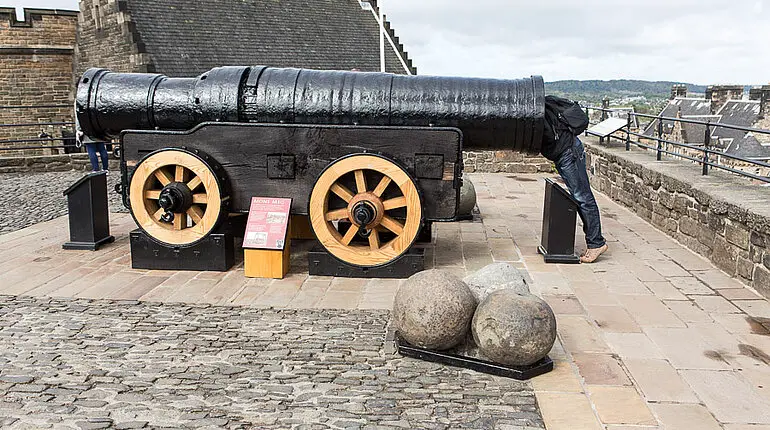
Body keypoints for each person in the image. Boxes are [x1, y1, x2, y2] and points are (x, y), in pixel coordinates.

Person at [541, 95, 607, 263]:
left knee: (583, 197)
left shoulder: (542, 111)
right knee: (580, 196)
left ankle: (596, 243)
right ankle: (595, 241)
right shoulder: (541, 109)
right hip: (564, 153)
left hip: (569, 152)